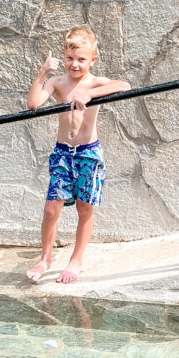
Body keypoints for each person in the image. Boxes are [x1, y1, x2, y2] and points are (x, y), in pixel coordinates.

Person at [25, 26, 131, 285]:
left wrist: (90, 93)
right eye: (71, 58)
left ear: (92, 60)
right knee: (51, 209)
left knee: (85, 208)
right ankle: (45, 259)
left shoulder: (94, 83)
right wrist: (43, 72)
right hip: (62, 153)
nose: (75, 64)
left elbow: (125, 85)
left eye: (82, 59)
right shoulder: (58, 82)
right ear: (64, 55)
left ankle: (77, 259)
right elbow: (34, 103)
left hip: (87, 153)